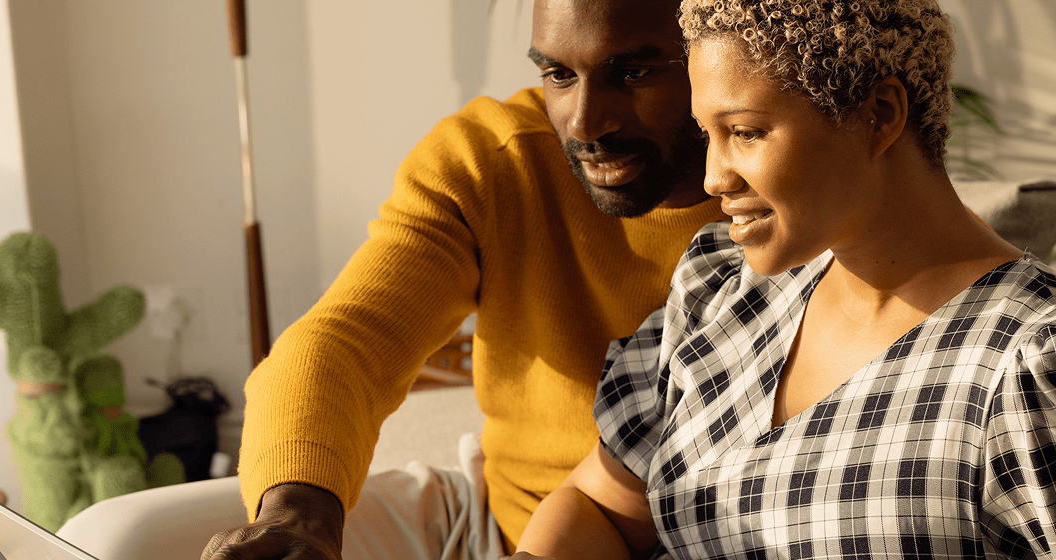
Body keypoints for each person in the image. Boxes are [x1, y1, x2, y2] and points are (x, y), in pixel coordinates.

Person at [509, 0, 1056, 558]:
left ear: (879, 114)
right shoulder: (722, 299)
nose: (712, 177)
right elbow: (604, 508)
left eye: (748, 132)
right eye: (709, 134)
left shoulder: (1038, 382)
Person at [201, 0, 725, 558]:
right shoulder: (493, 159)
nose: (584, 123)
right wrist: (299, 514)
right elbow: (347, 341)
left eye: (634, 72)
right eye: (558, 75)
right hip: (497, 531)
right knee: (125, 533)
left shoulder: (797, 184)